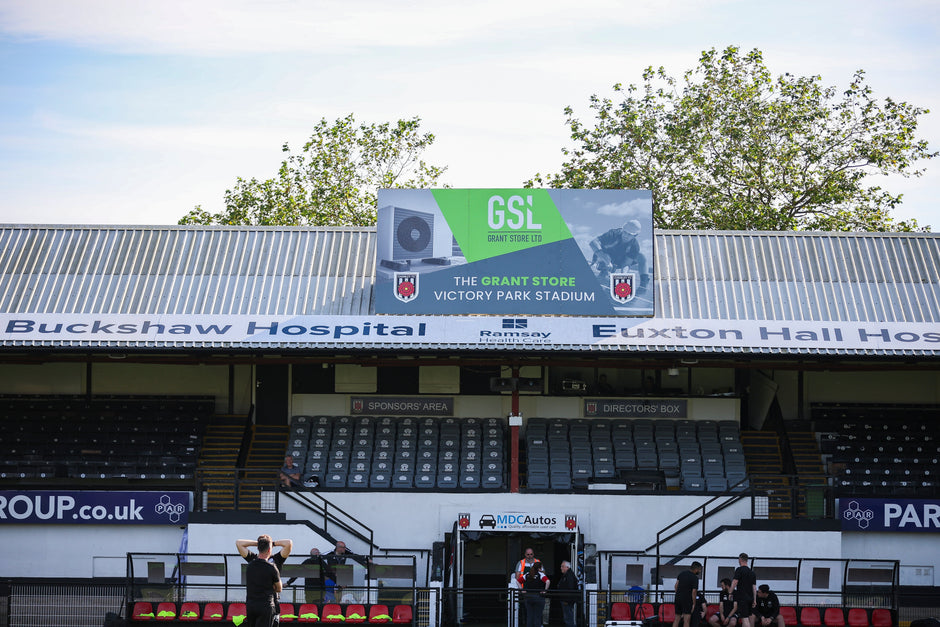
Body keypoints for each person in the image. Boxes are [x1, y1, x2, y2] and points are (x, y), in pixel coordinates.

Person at [237, 536, 292, 622]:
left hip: (271, 602)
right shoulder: (254, 559)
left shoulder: (277, 559)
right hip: (254, 601)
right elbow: (239, 543)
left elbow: (288, 543)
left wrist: (272, 543)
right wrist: (261, 544)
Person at [589, 219, 648, 284]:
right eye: (625, 232)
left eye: (629, 234)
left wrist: (623, 277)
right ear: (623, 230)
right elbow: (593, 243)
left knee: (641, 256)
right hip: (603, 256)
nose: (626, 236)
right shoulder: (613, 233)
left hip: (618, 261)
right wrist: (605, 259)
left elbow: (626, 264)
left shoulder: (635, 246)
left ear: (635, 235)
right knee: (604, 268)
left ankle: (644, 283)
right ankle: (602, 269)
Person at [244, 534, 283, 627]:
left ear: (258, 549)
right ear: (269, 550)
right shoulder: (272, 567)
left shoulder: (250, 565)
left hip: (251, 605)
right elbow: (279, 588)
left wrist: (260, 543)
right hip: (266, 605)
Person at [673, 561, 703, 627]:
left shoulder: (682, 574)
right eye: (700, 569)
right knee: (686, 620)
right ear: (696, 569)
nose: (700, 571)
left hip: (678, 598)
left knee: (677, 619)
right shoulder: (695, 578)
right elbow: (694, 592)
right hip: (687, 600)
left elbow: (676, 586)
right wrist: (694, 603)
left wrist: (678, 594)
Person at [730, 553, 757, 627]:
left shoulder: (739, 570)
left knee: (744, 618)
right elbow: (754, 587)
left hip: (742, 598)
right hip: (750, 598)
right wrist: (754, 599)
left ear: (740, 559)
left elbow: (735, 581)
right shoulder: (752, 573)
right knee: (747, 617)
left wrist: (730, 592)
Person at [522, 560, 550, 627]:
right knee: (537, 616)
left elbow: (518, 581)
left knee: (529, 616)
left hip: (528, 597)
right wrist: (545, 591)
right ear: (539, 568)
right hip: (538, 597)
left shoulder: (528, 574)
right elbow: (548, 581)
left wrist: (522, 590)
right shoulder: (541, 574)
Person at [555, 560, 579, 627]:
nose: (561, 568)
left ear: (567, 567)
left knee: (568, 617)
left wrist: (567, 599)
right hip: (566, 599)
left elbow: (570, 587)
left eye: (562, 566)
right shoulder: (568, 575)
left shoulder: (569, 576)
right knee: (568, 616)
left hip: (567, 599)